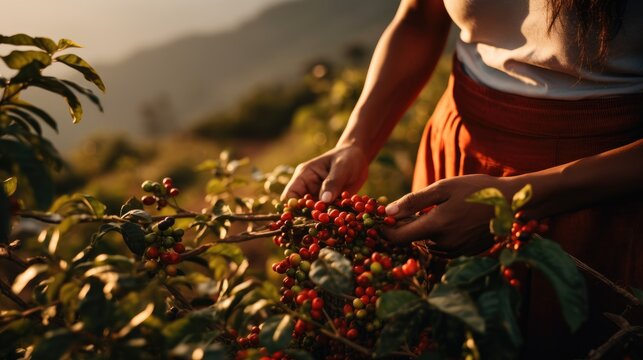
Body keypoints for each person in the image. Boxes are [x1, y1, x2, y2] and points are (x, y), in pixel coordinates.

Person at [282, 0, 642, 357]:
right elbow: (419, 18)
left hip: (599, 184)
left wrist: (515, 201)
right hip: (459, 149)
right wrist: (356, 142)